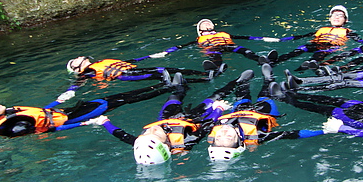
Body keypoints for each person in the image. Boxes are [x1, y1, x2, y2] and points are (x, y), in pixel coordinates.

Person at [86, 69, 256, 164]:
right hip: (194, 118)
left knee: (174, 97)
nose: (152, 129)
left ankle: (181, 88)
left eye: (145, 133)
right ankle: (238, 82)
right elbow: (208, 125)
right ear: (166, 144)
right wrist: (218, 109)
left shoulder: (146, 140)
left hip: (168, 116)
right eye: (155, 134)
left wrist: (104, 121)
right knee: (216, 97)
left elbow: (120, 134)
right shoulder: (186, 140)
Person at [206, 64, 330, 160]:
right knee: (266, 95)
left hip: (239, 111)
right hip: (263, 113)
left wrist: (217, 109)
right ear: (238, 140)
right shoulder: (258, 136)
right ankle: (268, 78)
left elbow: (205, 122)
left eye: (219, 136)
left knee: (241, 96)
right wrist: (326, 131)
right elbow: (293, 134)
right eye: (229, 136)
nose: (224, 131)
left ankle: (243, 82)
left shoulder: (215, 129)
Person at [0, 80, 175, 137]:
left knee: (113, 98)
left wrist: (58, 100)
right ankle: (167, 88)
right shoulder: (9, 127)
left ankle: (163, 86)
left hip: (65, 112)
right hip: (71, 119)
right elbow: (48, 129)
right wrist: (84, 123)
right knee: (118, 101)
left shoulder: (8, 115)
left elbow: (40, 114)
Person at [57, 56, 225, 102]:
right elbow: (79, 82)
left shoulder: (101, 62)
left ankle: (206, 75)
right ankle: (204, 80)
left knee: (167, 69)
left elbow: (131, 62)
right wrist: (70, 93)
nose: (79, 57)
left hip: (134, 69)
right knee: (162, 73)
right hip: (127, 76)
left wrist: (153, 55)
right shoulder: (89, 72)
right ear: (76, 68)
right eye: (75, 60)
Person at [267, 5, 362, 66]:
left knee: (319, 54)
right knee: (300, 49)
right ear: (330, 18)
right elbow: (302, 36)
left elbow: (360, 41)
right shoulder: (321, 29)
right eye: (334, 15)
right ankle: (275, 61)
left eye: (340, 15)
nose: (336, 17)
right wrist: (280, 40)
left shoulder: (348, 31)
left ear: (345, 20)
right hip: (316, 44)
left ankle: (311, 65)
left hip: (332, 46)